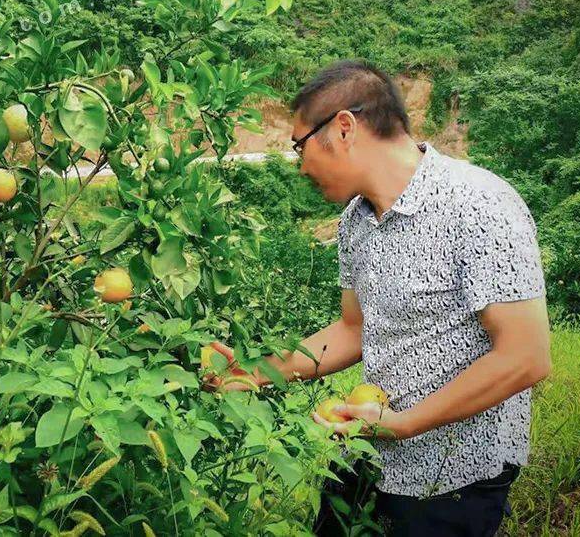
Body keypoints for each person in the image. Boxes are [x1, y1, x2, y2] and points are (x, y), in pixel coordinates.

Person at [208, 60, 551, 536]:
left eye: (299, 146)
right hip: (366, 457)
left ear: (344, 127)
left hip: (452, 480)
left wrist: (404, 424)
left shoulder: (479, 204)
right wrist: (249, 372)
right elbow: (354, 330)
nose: (300, 164)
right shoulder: (356, 221)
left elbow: (525, 357)